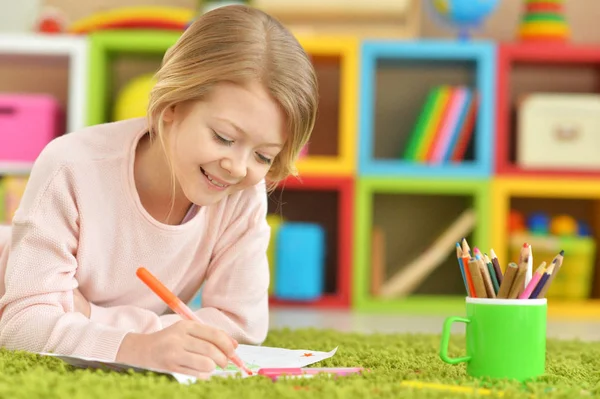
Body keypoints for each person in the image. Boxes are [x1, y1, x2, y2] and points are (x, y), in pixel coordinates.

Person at [0, 4, 318, 378]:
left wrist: (93, 318)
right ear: (173, 106)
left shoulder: (241, 193)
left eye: (264, 156)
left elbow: (241, 326)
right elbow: (22, 323)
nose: (238, 167)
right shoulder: (71, 166)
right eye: (224, 137)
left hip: (73, 313)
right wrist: (136, 347)